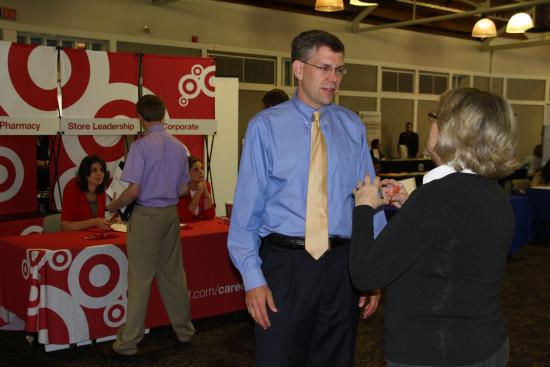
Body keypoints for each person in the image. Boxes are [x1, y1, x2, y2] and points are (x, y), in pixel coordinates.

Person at [227, 30, 386, 367]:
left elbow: (368, 201)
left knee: (336, 359)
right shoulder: (265, 127)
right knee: (279, 358)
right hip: (286, 266)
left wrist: (371, 272)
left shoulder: (351, 126)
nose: (333, 79)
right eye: (325, 68)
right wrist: (253, 280)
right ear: (299, 69)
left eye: (339, 70)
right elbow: (246, 214)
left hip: (342, 267)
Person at [350, 88, 517, 366]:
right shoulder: (492, 192)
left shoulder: (436, 197)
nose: (431, 124)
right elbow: (455, 242)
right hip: (485, 345)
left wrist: (364, 208)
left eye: (435, 117)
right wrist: (411, 208)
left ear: (451, 131)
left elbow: (365, 274)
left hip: (435, 351)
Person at [107, 94, 195, 356]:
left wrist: (112, 207)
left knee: (140, 279)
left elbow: (133, 191)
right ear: (164, 114)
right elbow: (182, 189)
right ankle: (184, 331)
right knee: (174, 276)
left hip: (146, 216)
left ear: (140, 118)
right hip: (170, 215)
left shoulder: (140, 147)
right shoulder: (180, 147)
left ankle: (128, 342)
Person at [61, 155, 113, 231]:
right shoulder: (72, 187)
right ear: (85, 173)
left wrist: (111, 222)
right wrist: (93, 222)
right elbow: (65, 226)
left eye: (102, 170)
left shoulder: (100, 189)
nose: (99, 174)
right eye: (94, 170)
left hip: (94, 236)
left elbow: (100, 220)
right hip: (74, 237)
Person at [177, 156, 216, 221]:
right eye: (196, 170)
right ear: (187, 173)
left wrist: (206, 194)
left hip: (199, 228)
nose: (201, 172)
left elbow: (210, 216)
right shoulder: (182, 188)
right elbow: (185, 217)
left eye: (201, 168)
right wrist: (198, 193)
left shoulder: (206, 185)